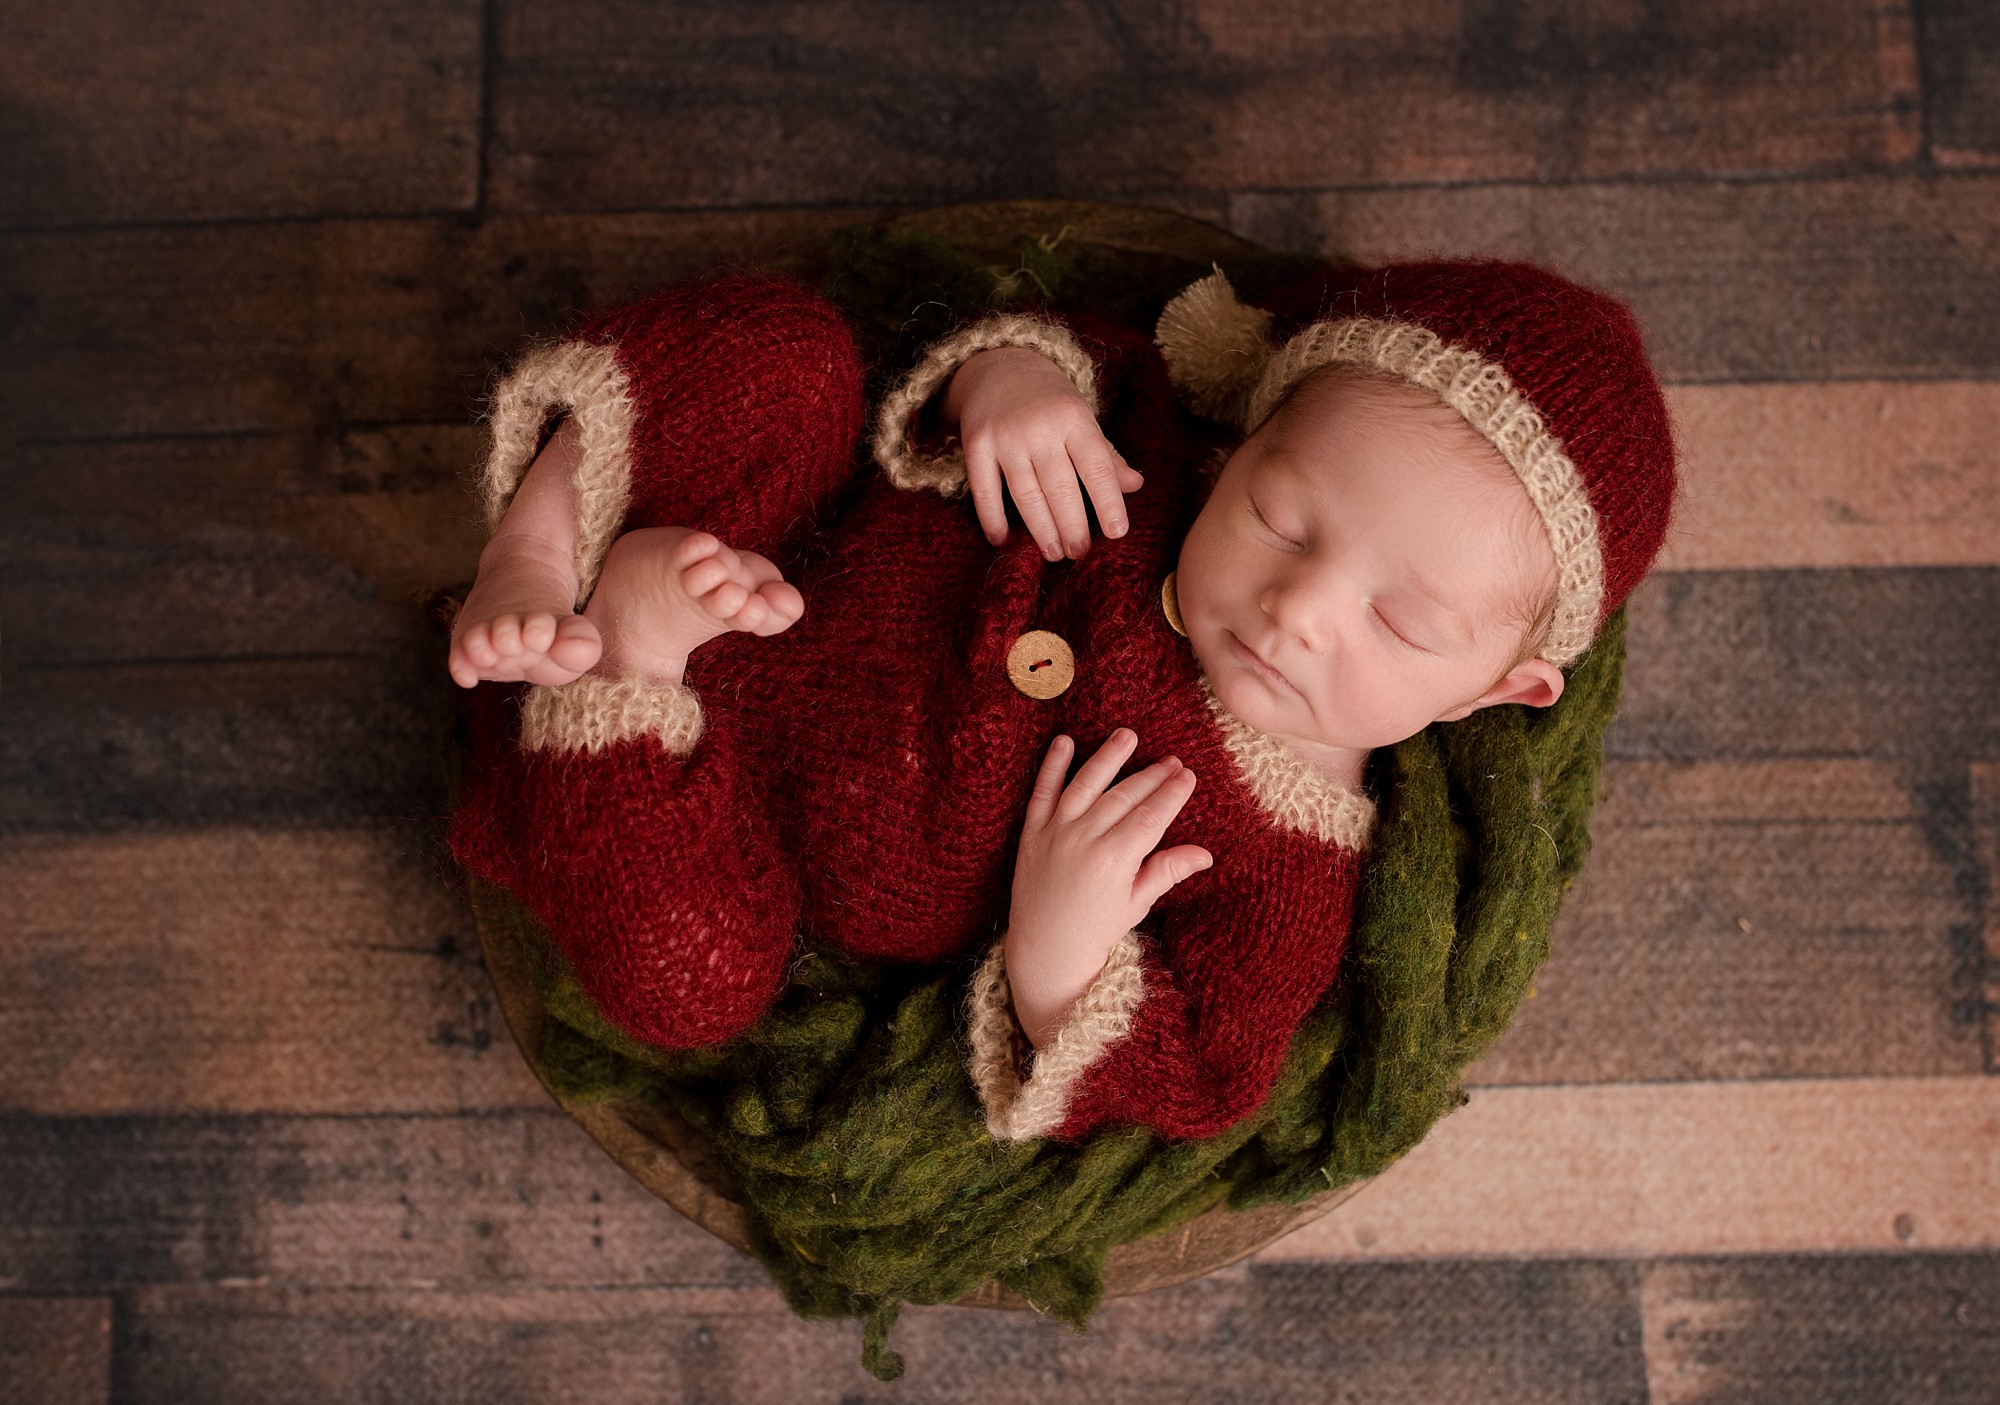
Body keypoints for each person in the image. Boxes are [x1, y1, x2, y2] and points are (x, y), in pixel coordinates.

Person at [446, 259, 1676, 1143]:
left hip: (740, 835)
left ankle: (616, 679)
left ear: (1496, 692)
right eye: (1278, 515)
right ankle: (546, 542)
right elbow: (1089, 354)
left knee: (695, 984)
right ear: (1239, 439)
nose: (1299, 606)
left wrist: (1060, 959)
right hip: (785, 536)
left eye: (1399, 624)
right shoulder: (1147, 468)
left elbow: (1202, 1069)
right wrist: (1013, 383)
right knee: (793, 353)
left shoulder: (1288, 870)